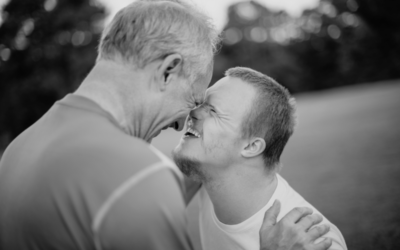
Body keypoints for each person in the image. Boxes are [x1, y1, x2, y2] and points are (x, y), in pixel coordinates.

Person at [0, 1, 330, 250]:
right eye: (194, 98)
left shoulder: (19, 147)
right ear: (169, 71)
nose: (181, 121)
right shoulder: (136, 177)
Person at [173, 67, 348, 250]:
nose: (193, 112)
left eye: (213, 111)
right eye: (200, 103)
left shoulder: (311, 240)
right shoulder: (206, 171)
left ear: (251, 147)